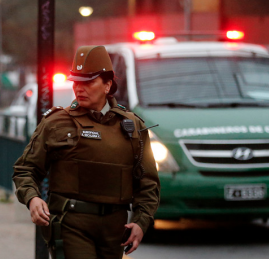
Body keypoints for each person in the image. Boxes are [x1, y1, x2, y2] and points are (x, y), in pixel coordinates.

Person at [12, 45, 160, 259]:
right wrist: (32, 198)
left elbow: (148, 183)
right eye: (76, 82)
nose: (79, 88)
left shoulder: (132, 127)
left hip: (115, 231)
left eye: (88, 82)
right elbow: (25, 169)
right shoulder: (56, 123)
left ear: (107, 85)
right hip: (71, 225)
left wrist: (140, 221)